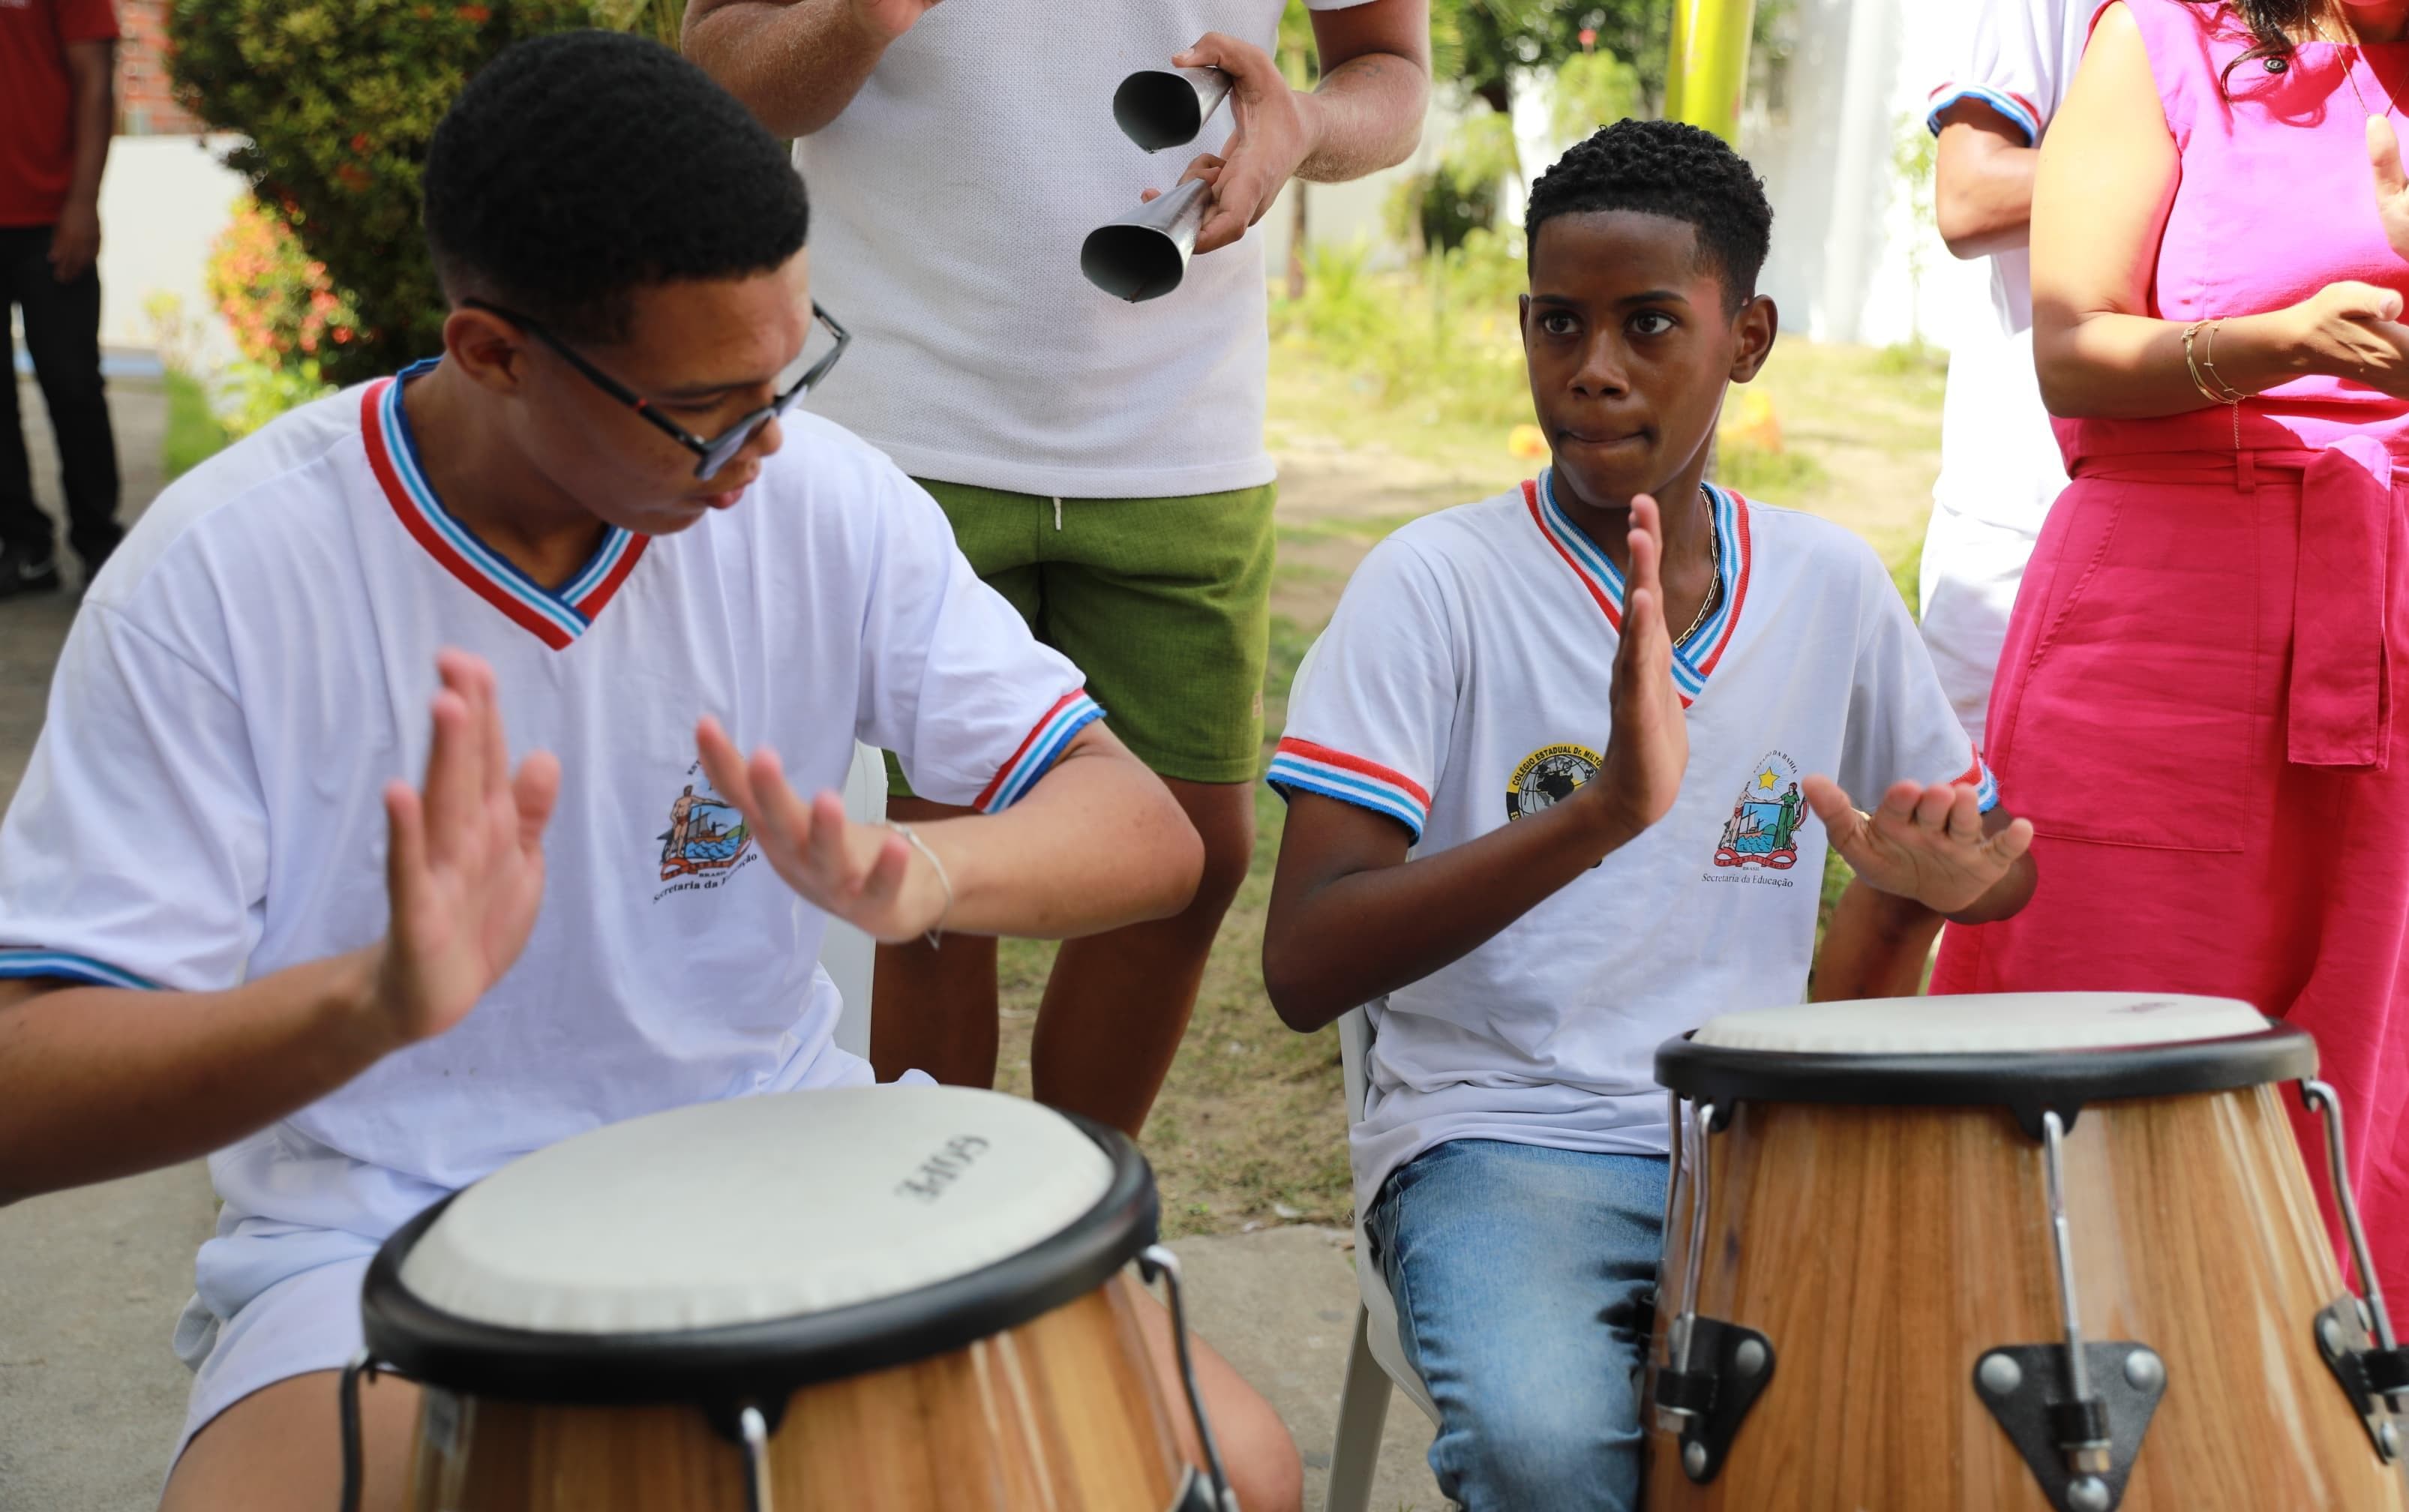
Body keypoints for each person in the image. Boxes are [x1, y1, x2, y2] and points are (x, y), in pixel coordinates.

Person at [0, 34, 1300, 1511]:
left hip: (786, 1157)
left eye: (792, 368)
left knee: (1229, 1472)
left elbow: (1146, 833)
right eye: (705, 410)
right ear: (493, 353)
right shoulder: (224, 577)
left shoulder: (820, 495)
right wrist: (363, 1008)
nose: (764, 443)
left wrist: (928, 871)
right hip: (380, 1237)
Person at [1258, 120, 2039, 1512]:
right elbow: (1304, 964)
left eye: (1645, 326)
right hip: (1497, 1135)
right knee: (1550, 1451)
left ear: (1745, 339)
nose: (1593, 369)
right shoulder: (1430, 585)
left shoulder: (1828, 583)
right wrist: (1604, 813)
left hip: (1748, 1142)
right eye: (1558, 323)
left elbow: (1978, 863)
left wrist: (1945, 880)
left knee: (1933, 1414)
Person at [683, 0, 1431, 1136]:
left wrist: (1306, 125)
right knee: (937, 885)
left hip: (1182, 426)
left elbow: (1390, 73)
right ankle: (937, 1256)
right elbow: (722, 75)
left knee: (1192, 862)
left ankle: (1076, 1221)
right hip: (905, 409)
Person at [1933, 0, 2409, 1303]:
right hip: (2162, 629)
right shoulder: (2162, 36)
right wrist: (2279, 343)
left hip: (2391, 627)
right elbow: (2073, 346)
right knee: (2097, 1041)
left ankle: (2311, 1441)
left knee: (2363, 1088)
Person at [1918, 0, 2088, 746]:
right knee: (1948, 838)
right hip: (2028, 505)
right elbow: (1969, 194)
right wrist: (2194, 150)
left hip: (2251, 503)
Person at [0, 0, 121, 596]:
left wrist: (82, 202)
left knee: (72, 384)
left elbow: (95, 79)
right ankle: (24, 548)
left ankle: (100, 544)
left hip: (49, 220)